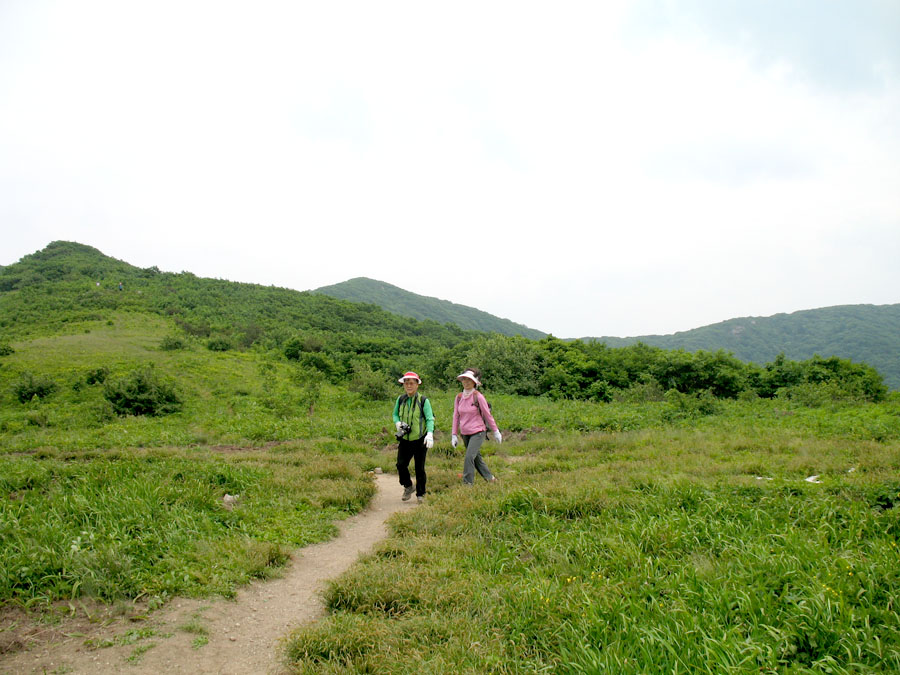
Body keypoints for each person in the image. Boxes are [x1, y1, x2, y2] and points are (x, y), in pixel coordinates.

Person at [451, 368, 501, 485]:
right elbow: (456, 416)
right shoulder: (459, 397)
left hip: (478, 432)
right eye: (464, 379)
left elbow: (487, 415)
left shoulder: (478, 396)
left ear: (474, 382)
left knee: (469, 457)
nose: (466, 382)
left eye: (469, 380)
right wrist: (454, 434)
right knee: (476, 458)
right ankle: (490, 479)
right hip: (465, 433)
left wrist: (496, 431)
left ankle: (467, 484)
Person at [392, 371, 434, 504]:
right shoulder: (401, 399)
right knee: (400, 464)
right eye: (406, 383)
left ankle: (421, 493)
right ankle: (408, 485)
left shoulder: (423, 401)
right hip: (405, 439)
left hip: (420, 439)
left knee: (419, 468)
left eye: (411, 383)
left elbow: (429, 418)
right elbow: (395, 414)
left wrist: (430, 433)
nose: (408, 386)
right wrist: (397, 423)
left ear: (417, 385)